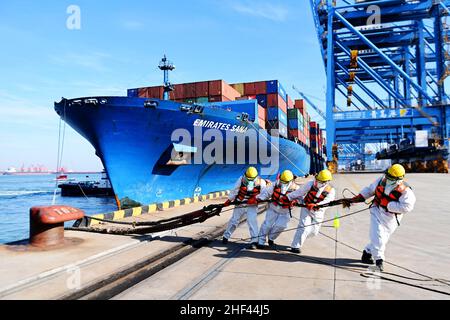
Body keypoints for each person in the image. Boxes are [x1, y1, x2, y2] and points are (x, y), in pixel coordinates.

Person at [343, 164, 416, 271]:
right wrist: (358, 198)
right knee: (378, 237)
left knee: (382, 238)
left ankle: (367, 253)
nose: (388, 179)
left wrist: (388, 205)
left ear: (399, 179)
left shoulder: (406, 192)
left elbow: (407, 207)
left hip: (391, 218)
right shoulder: (381, 180)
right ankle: (379, 260)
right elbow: (370, 190)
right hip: (376, 211)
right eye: (387, 176)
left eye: (391, 178)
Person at [287, 169, 336, 254]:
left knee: (314, 232)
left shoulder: (331, 190)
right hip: (306, 207)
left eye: (321, 181)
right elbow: (299, 192)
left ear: (326, 182)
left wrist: (317, 206)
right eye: (317, 179)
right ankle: (295, 246)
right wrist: (288, 198)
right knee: (304, 228)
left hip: (318, 211)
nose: (318, 182)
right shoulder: (310, 183)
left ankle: (301, 236)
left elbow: (327, 202)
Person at [222, 167, 266, 248]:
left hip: (252, 206)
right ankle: (226, 236)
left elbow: (264, 194)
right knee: (234, 221)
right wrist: (229, 200)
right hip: (240, 204)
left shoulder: (261, 182)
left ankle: (254, 241)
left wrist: (256, 199)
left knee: (252, 222)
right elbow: (235, 190)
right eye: (248, 178)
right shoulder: (241, 179)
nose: (249, 180)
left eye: (251, 179)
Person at [256, 170, 297, 249]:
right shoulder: (275, 185)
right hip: (273, 207)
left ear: (291, 180)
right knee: (267, 225)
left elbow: (300, 197)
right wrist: (260, 199)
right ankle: (261, 241)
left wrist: (298, 202)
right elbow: (267, 193)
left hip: (285, 211)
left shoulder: (295, 188)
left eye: (286, 181)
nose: (283, 183)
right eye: (282, 180)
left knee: (281, 226)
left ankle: (271, 238)